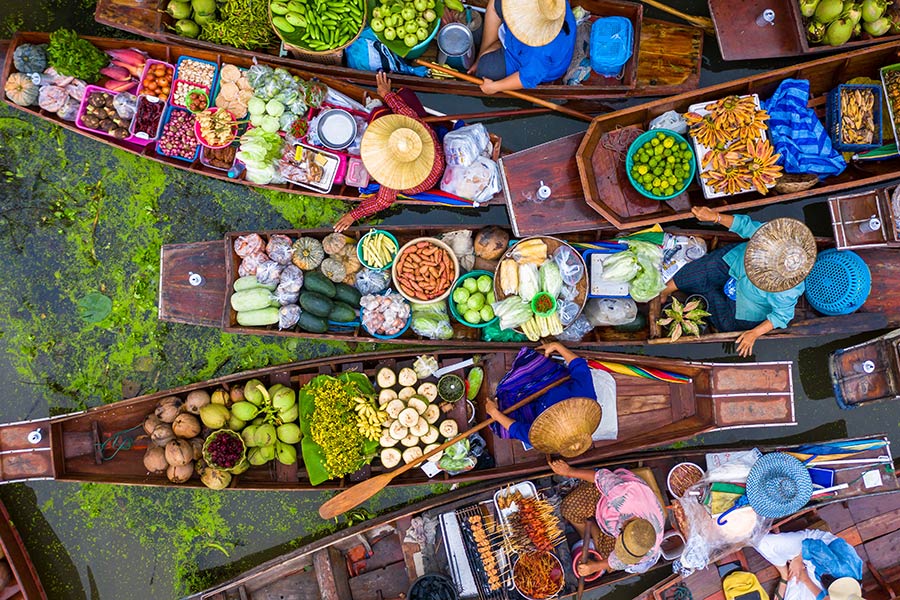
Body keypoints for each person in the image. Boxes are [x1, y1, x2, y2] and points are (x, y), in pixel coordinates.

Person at [659, 206, 817, 357]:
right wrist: (715, 217)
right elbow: (746, 226)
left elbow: (781, 316)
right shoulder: (775, 236)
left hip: (744, 305)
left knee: (726, 323)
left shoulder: (787, 290)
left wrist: (754, 333)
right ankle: (668, 288)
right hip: (733, 262)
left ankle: (703, 292)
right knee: (705, 269)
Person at [333, 72, 444, 232]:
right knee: (403, 100)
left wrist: (353, 215)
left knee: (376, 114)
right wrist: (386, 93)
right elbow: (404, 111)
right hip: (434, 158)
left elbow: (383, 201)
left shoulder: (393, 178)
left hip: (421, 182)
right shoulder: (420, 131)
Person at [549, 459, 665, 575]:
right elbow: (598, 477)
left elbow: (622, 562)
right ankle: (590, 536)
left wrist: (595, 567)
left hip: (610, 523)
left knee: (607, 560)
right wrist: (569, 471)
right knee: (569, 509)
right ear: (623, 527)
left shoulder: (647, 547)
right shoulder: (624, 497)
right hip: (606, 495)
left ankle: (591, 536)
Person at [486, 342, 597, 445]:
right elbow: (579, 366)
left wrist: (495, 413)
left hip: (536, 412)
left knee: (500, 426)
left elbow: (516, 429)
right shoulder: (585, 398)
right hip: (553, 384)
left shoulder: (543, 437)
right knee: (532, 367)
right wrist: (556, 346)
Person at [468, 0, 576, 94]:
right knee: (497, 3)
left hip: (528, 61)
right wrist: (480, 56)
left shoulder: (541, 49)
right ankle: (494, 46)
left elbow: (527, 77)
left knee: (485, 68)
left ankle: (498, 44)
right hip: (518, 43)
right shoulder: (548, 5)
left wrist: (494, 87)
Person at [754, 529, 865, 600]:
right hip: (816, 545)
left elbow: (822, 597)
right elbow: (812, 545)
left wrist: (804, 578)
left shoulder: (847, 594)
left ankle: (794, 570)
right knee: (762, 542)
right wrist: (798, 560)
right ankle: (784, 574)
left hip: (820, 572)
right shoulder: (837, 569)